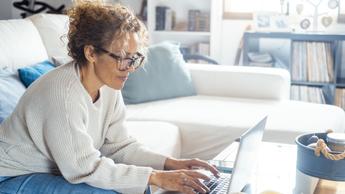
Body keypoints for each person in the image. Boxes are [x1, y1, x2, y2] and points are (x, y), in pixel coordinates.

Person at [0, 1, 219, 194]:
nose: (130, 68)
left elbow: (118, 146)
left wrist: (169, 164)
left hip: (50, 170)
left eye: (135, 59)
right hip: (10, 177)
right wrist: (155, 176)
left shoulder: (109, 86)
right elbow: (84, 167)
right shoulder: (62, 95)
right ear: (91, 53)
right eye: (123, 58)